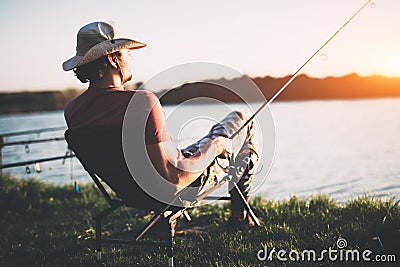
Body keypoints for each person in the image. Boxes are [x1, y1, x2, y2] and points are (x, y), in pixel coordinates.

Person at [63, 21, 259, 226]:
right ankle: (240, 218)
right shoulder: (140, 103)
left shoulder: (73, 110)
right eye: (127, 52)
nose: (131, 57)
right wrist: (215, 147)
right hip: (176, 190)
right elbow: (174, 181)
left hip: (132, 194)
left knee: (232, 123)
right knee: (245, 129)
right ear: (113, 59)